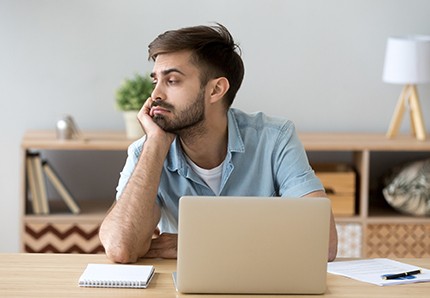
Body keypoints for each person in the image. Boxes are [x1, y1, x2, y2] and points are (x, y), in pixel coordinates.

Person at [99, 23, 338, 264]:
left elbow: (322, 244)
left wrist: (195, 243)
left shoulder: (274, 139)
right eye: (155, 82)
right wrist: (155, 145)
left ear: (215, 90)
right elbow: (120, 248)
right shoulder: (147, 150)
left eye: (172, 81)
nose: (155, 95)